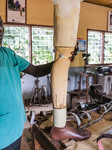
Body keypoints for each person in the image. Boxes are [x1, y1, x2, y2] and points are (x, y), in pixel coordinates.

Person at [0, 16, 54, 150]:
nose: (1, 30)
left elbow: (36, 70)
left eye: (1, 25)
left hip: (16, 128)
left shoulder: (8, 54)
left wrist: (62, 61)